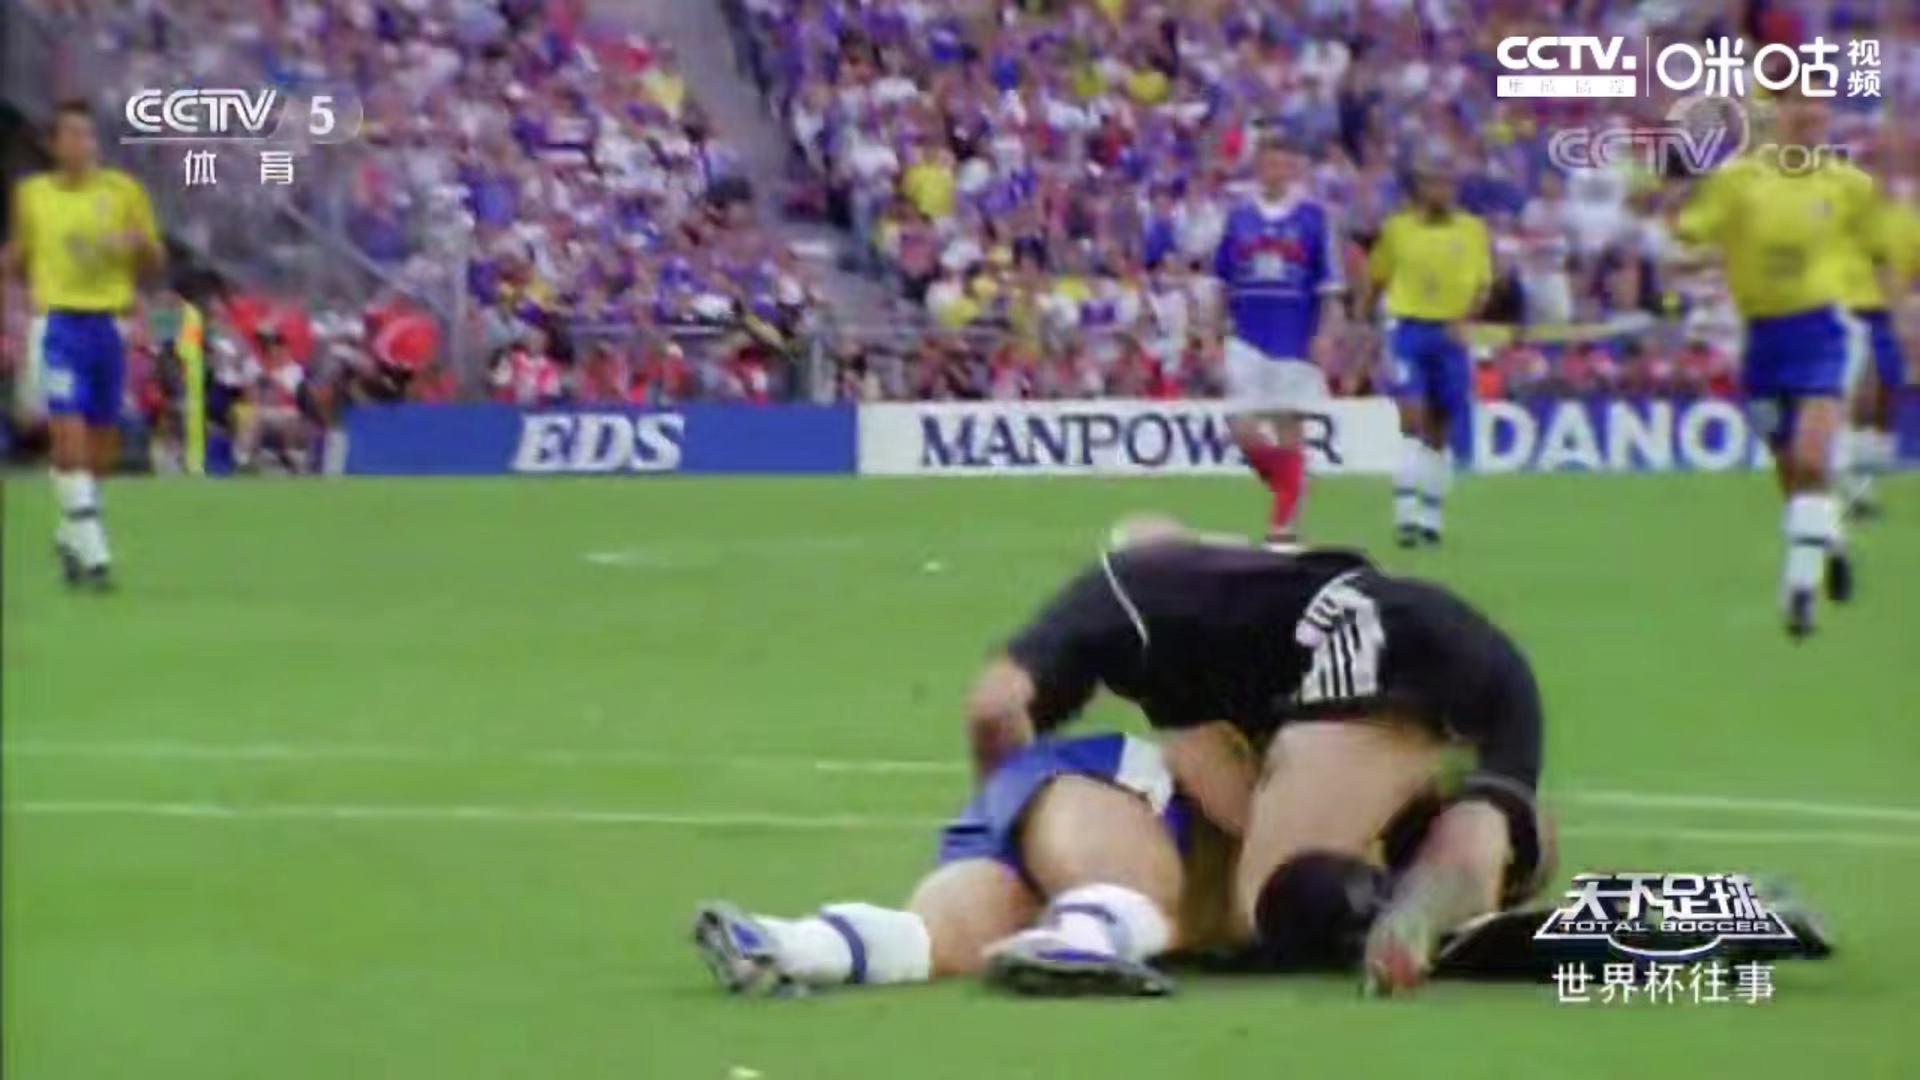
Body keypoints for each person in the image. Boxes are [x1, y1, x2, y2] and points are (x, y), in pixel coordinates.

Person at [962, 516, 1549, 995]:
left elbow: (994, 709)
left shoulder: (1118, 590)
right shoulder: (1253, 589)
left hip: (1367, 637)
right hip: (1492, 661)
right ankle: (1470, 886)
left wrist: (1009, 834)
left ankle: (1391, 914)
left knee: (1265, 900)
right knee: (1488, 809)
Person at [692, 728, 1251, 998]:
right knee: (1132, 889)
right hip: (1104, 786)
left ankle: (787, 946)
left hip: (1025, 797)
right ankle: (1078, 940)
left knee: (929, 940)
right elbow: (1197, 749)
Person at [1669, 85, 1890, 637]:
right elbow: (1691, 235)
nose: (1809, 113)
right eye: (1796, 103)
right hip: (1763, 339)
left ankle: (1799, 591)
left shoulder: (1850, 186)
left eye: (1817, 103)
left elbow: (1883, 253)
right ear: (1774, 114)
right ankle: (1829, 539)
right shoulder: (1737, 181)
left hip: (1827, 330)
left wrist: (1894, 314)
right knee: (1792, 470)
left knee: (1813, 458)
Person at [2, 100, 163, 589]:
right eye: (71, 135)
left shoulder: (123, 192)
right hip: (57, 325)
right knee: (66, 434)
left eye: (88, 135)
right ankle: (95, 555)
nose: (82, 144)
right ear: (53, 145)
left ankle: (71, 531)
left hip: (108, 326)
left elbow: (154, 258)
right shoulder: (33, 195)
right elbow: (18, 255)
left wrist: (137, 246)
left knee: (101, 449)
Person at [1213, 132, 1347, 543]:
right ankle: (1292, 483)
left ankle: (1283, 526)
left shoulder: (1314, 217)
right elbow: (1221, 280)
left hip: (1295, 336)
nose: (1276, 170)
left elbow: (1329, 285)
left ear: (1293, 168)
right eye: (1269, 162)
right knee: (1239, 425)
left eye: (1283, 163)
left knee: (1290, 428)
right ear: (1258, 166)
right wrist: (1211, 331)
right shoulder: (1239, 216)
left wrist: (1326, 335)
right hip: (1246, 335)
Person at [1362, 156, 1492, 548]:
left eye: (1447, 183)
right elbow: (1377, 278)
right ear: (1419, 188)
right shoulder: (1397, 229)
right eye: (1433, 183)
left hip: (1450, 334)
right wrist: (1363, 322)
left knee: (1439, 425)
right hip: (1408, 330)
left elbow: (1483, 285)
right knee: (1412, 416)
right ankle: (1405, 513)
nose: (1441, 191)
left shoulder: (1472, 230)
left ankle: (1431, 516)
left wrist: (1467, 318)